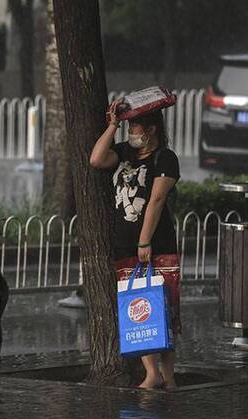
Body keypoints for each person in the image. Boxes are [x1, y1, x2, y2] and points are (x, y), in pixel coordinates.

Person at [90, 100, 181, 390]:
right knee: (139, 309)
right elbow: (95, 159)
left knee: (162, 307)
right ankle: (152, 373)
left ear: (152, 129)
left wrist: (145, 240)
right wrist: (113, 124)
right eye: (128, 126)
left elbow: (156, 200)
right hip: (124, 247)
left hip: (157, 245)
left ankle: (166, 376)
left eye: (135, 126)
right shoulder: (124, 155)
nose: (131, 131)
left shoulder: (165, 158)